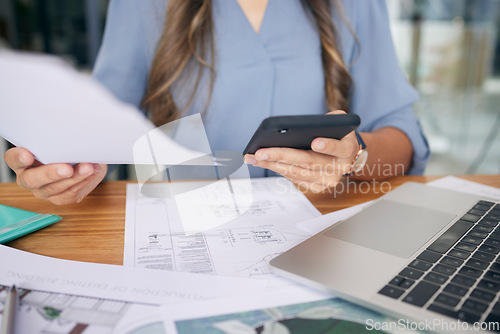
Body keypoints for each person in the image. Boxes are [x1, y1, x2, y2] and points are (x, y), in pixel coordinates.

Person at [5, 0, 430, 205]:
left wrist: (355, 155)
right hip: (184, 238)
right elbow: (93, 130)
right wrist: (66, 172)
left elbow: (402, 135)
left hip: (323, 227)